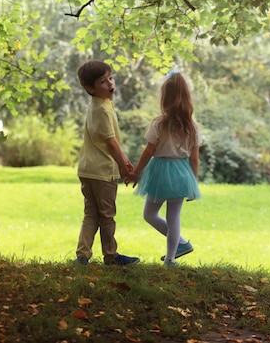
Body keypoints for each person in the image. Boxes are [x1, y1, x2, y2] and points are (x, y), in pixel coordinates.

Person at [124, 71, 202, 267]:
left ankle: (180, 246)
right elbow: (194, 158)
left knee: (149, 215)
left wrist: (137, 172)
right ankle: (171, 258)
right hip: (182, 172)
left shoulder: (159, 123)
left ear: (165, 98)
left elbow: (148, 151)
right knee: (173, 216)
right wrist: (193, 182)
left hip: (159, 171)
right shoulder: (192, 127)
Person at [73, 60, 140, 266]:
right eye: (103, 81)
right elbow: (111, 143)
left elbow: (111, 142)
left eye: (110, 78)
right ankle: (111, 256)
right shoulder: (102, 110)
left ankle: (82, 256)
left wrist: (125, 160)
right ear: (90, 88)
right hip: (103, 172)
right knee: (107, 216)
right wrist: (122, 166)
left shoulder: (99, 105)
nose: (110, 84)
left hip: (88, 169)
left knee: (91, 214)